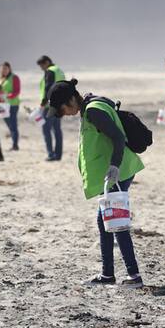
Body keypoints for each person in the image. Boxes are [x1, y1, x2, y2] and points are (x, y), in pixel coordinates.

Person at [47, 79, 145, 287]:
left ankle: (134, 276)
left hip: (119, 172)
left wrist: (114, 166)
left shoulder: (93, 111)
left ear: (71, 100)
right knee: (106, 222)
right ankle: (108, 274)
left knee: (115, 222)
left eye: (62, 109)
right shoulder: (89, 108)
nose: (63, 114)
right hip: (116, 172)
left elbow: (118, 137)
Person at [37, 55, 66, 161]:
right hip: (59, 105)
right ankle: (58, 155)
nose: (42, 68)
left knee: (46, 130)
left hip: (50, 105)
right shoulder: (59, 71)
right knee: (57, 130)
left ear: (46, 62)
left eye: (42, 66)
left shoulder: (50, 71)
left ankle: (51, 154)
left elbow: (48, 87)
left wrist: (43, 102)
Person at [0, 61, 22, 151]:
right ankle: (14, 139)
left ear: (9, 69)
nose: (4, 70)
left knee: (13, 125)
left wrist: (7, 96)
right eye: (2, 69)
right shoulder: (2, 79)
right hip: (3, 105)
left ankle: (15, 145)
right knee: (9, 124)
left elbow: (17, 91)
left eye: (5, 68)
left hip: (13, 104)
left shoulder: (14, 77)